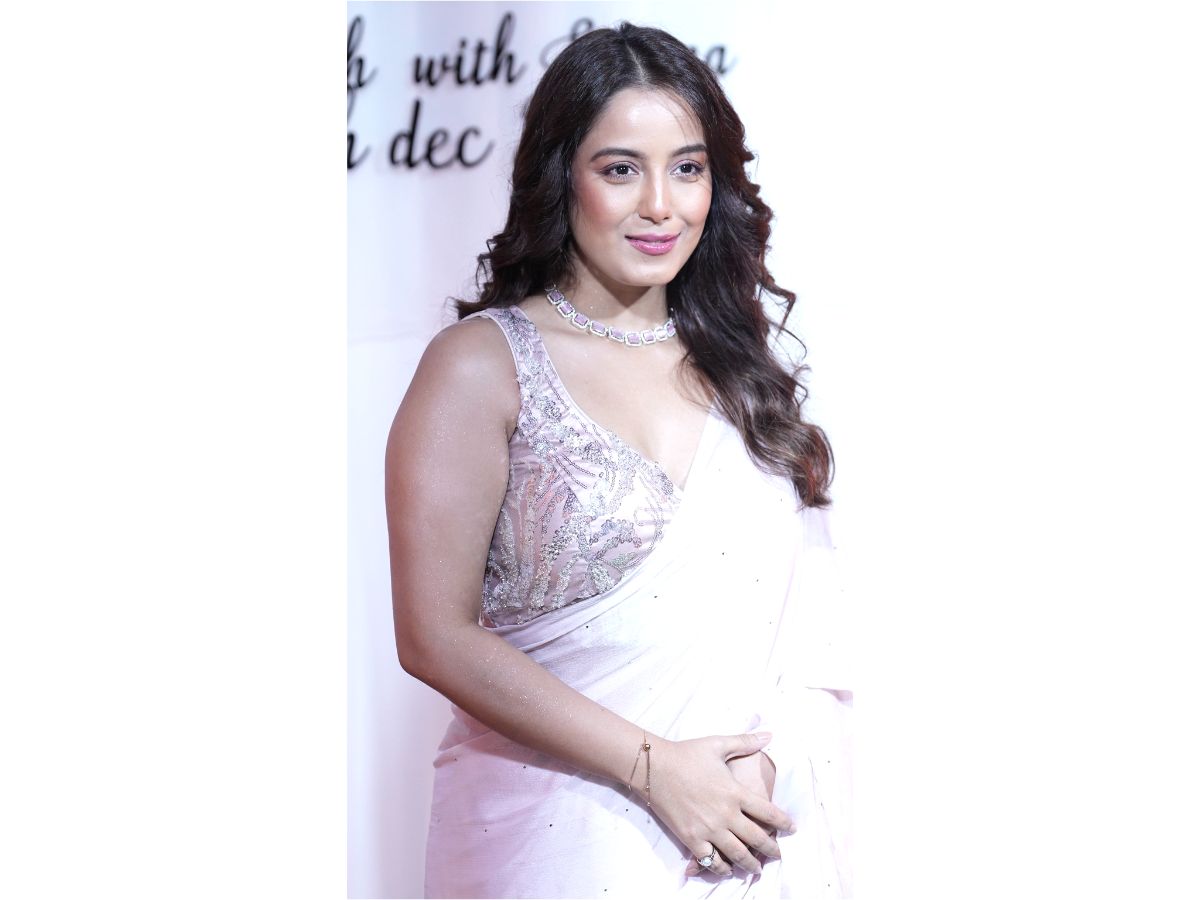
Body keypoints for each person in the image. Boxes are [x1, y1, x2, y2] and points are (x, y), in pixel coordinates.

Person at [385, 22, 851, 899]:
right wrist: (654, 768)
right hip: (558, 840)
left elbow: (809, 631)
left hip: (748, 833)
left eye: (687, 168)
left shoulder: (742, 370)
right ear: (561, 175)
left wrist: (764, 764)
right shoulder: (481, 366)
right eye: (620, 169)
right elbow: (433, 635)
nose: (661, 206)